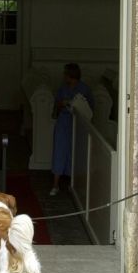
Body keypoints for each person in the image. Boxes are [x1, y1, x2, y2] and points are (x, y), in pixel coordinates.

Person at [50, 63, 94, 197]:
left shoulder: (84, 89)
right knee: (59, 150)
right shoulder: (63, 88)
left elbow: (91, 108)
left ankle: (72, 183)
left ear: (71, 75)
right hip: (64, 122)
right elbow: (56, 103)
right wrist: (62, 103)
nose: (64, 77)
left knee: (75, 151)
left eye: (66, 74)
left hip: (77, 123)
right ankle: (55, 184)